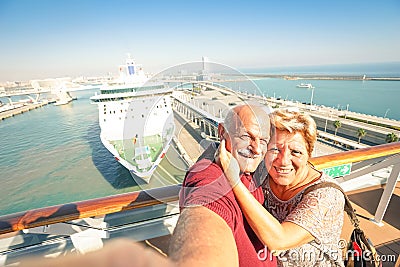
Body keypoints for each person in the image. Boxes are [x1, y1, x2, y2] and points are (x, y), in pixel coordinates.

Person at [217, 109, 345, 266]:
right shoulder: (264, 171)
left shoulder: (327, 196)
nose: (283, 161)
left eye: (296, 152)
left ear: (309, 154)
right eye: (275, 149)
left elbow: (280, 240)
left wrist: (233, 180)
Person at [168, 104, 276, 267]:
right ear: (221, 132)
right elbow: (205, 209)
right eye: (246, 136)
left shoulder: (248, 167)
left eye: (263, 140)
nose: (255, 149)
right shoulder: (208, 175)